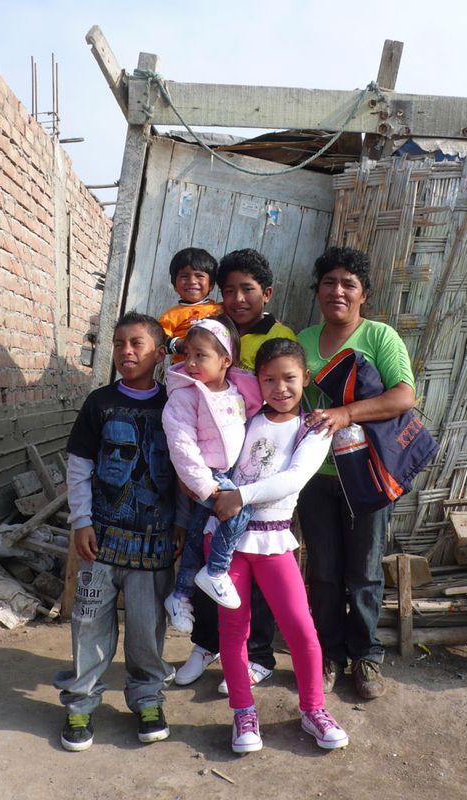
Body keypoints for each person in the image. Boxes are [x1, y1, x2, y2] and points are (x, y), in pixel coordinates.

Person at [54, 312, 184, 751]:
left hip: (155, 543)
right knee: (89, 626)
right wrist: (82, 520)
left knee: (148, 631)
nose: (126, 352)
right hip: (101, 542)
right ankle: (79, 705)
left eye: (137, 344)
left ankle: (147, 698)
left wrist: (182, 521)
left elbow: (188, 470)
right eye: (119, 343)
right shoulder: (99, 404)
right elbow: (80, 465)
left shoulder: (175, 406)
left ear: (160, 354)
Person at [211, 338, 348, 754]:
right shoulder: (246, 418)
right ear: (257, 382)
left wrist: (240, 496)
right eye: (268, 379)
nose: (280, 388)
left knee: (300, 627)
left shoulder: (314, 428)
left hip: (273, 540)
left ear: (305, 378)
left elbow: (293, 479)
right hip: (228, 541)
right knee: (233, 631)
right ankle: (243, 712)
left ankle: (313, 709)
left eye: (289, 378)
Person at [175, 249, 296, 694]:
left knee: (255, 563)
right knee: (214, 557)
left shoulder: (279, 336)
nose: (238, 298)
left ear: (266, 293)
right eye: (228, 290)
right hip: (213, 472)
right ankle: (205, 644)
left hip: (260, 469)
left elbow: (283, 396)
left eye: (247, 289)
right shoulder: (209, 330)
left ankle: (256, 655)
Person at [297, 246, 416, 700]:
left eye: (349, 283)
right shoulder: (303, 341)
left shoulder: (379, 337)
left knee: (365, 571)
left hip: (366, 474)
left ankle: (366, 656)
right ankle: (329, 653)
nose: (338, 291)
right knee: (323, 572)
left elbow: (404, 395)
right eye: (329, 282)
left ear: (364, 293)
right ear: (318, 290)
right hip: (314, 476)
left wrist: (347, 413)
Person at [162, 315, 262, 626]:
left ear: (225, 361)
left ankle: (179, 595)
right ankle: (216, 570)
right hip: (205, 477)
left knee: (195, 537)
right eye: (187, 354)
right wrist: (207, 486)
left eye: (200, 355)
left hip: (226, 473)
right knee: (240, 510)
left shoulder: (236, 390)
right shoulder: (186, 395)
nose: (190, 362)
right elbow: (182, 445)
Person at [159, 247, 222, 362]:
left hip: (216, 369)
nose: (192, 281)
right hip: (183, 369)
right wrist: (180, 345)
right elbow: (159, 340)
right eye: (184, 276)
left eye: (199, 276)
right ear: (174, 285)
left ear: (211, 285)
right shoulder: (171, 315)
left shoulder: (221, 309)